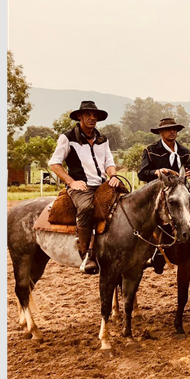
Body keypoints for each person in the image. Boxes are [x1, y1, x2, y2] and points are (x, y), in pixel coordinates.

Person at [48, 100, 120, 274]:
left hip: (102, 184)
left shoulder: (103, 139)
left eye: (94, 115)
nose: (92, 118)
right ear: (79, 116)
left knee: (126, 202)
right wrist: (71, 182)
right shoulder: (68, 138)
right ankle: (87, 254)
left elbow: (109, 162)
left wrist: (113, 175)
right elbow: (55, 163)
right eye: (87, 114)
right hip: (81, 186)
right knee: (87, 208)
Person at [138, 117, 190, 274]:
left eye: (175, 129)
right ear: (160, 132)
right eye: (168, 129)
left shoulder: (184, 151)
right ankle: (154, 251)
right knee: (152, 218)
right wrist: (156, 172)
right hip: (159, 193)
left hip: (181, 191)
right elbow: (142, 174)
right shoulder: (150, 151)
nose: (172, 132)